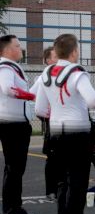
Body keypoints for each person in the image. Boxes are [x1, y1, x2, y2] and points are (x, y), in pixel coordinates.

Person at [35, 33, 95, 214]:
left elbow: (39, 108)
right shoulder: (77, 73)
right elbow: (93, 100)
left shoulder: (46, 74)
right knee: (78, 184)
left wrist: (57, 116)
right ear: (74, 52)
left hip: (55, 133)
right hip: (77, 134)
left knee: (62, 182)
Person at [0, 35, 36, 214]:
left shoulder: (10, 67)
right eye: (18, 45)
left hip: (17, 124)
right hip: (12, 126)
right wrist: (31, 97)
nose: (21, 48)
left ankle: (15, 207)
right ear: (7, 49)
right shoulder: (5, 67)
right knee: (14, 169)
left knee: (15, 169)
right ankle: (11, 209)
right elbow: (8, 89)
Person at [30, 46, 58, 201]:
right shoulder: (43, 77)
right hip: (51, 120)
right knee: (52, 158)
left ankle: (61, 188)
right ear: (48, 60)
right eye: (56, 56)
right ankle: (51, 190)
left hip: (65, 121)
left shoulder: (64, 74)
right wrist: (45, 110)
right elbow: (31, 94)